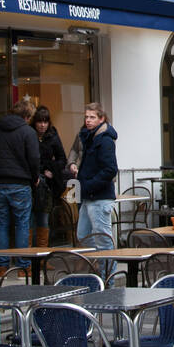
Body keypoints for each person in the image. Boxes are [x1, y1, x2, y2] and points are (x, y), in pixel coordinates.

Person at [0, 98, 40, 276]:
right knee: (22, 224)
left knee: (1, 225)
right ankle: (23, 267)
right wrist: (34, 176)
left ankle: (1, 267)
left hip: (0, 183)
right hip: (21, 183)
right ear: (27, 116)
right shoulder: (27, 132)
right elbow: (34, 158)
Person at [70, 102, 118, 251]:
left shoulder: (105, 139)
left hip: (99, 197)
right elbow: (75, 152)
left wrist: (89, 184)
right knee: (83, 235)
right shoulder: (87, 137)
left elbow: (110, 169)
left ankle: (107, 273)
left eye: (92, 117)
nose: (88, 120)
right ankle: (99, 264)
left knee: (103, 239)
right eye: (86, 117)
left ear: (101, 118)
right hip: (87, 195)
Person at [31, 106, 68, 247]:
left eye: (45, 122)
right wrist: (42, 168)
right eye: (40, 122)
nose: (42, 125)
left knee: (44, 219)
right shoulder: (29, 135)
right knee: (30, 220)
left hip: (46, 185)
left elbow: (62, 159)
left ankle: (41, 256)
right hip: (32, 181)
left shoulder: (52, 136)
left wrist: (51, 169)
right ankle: (29, 258)